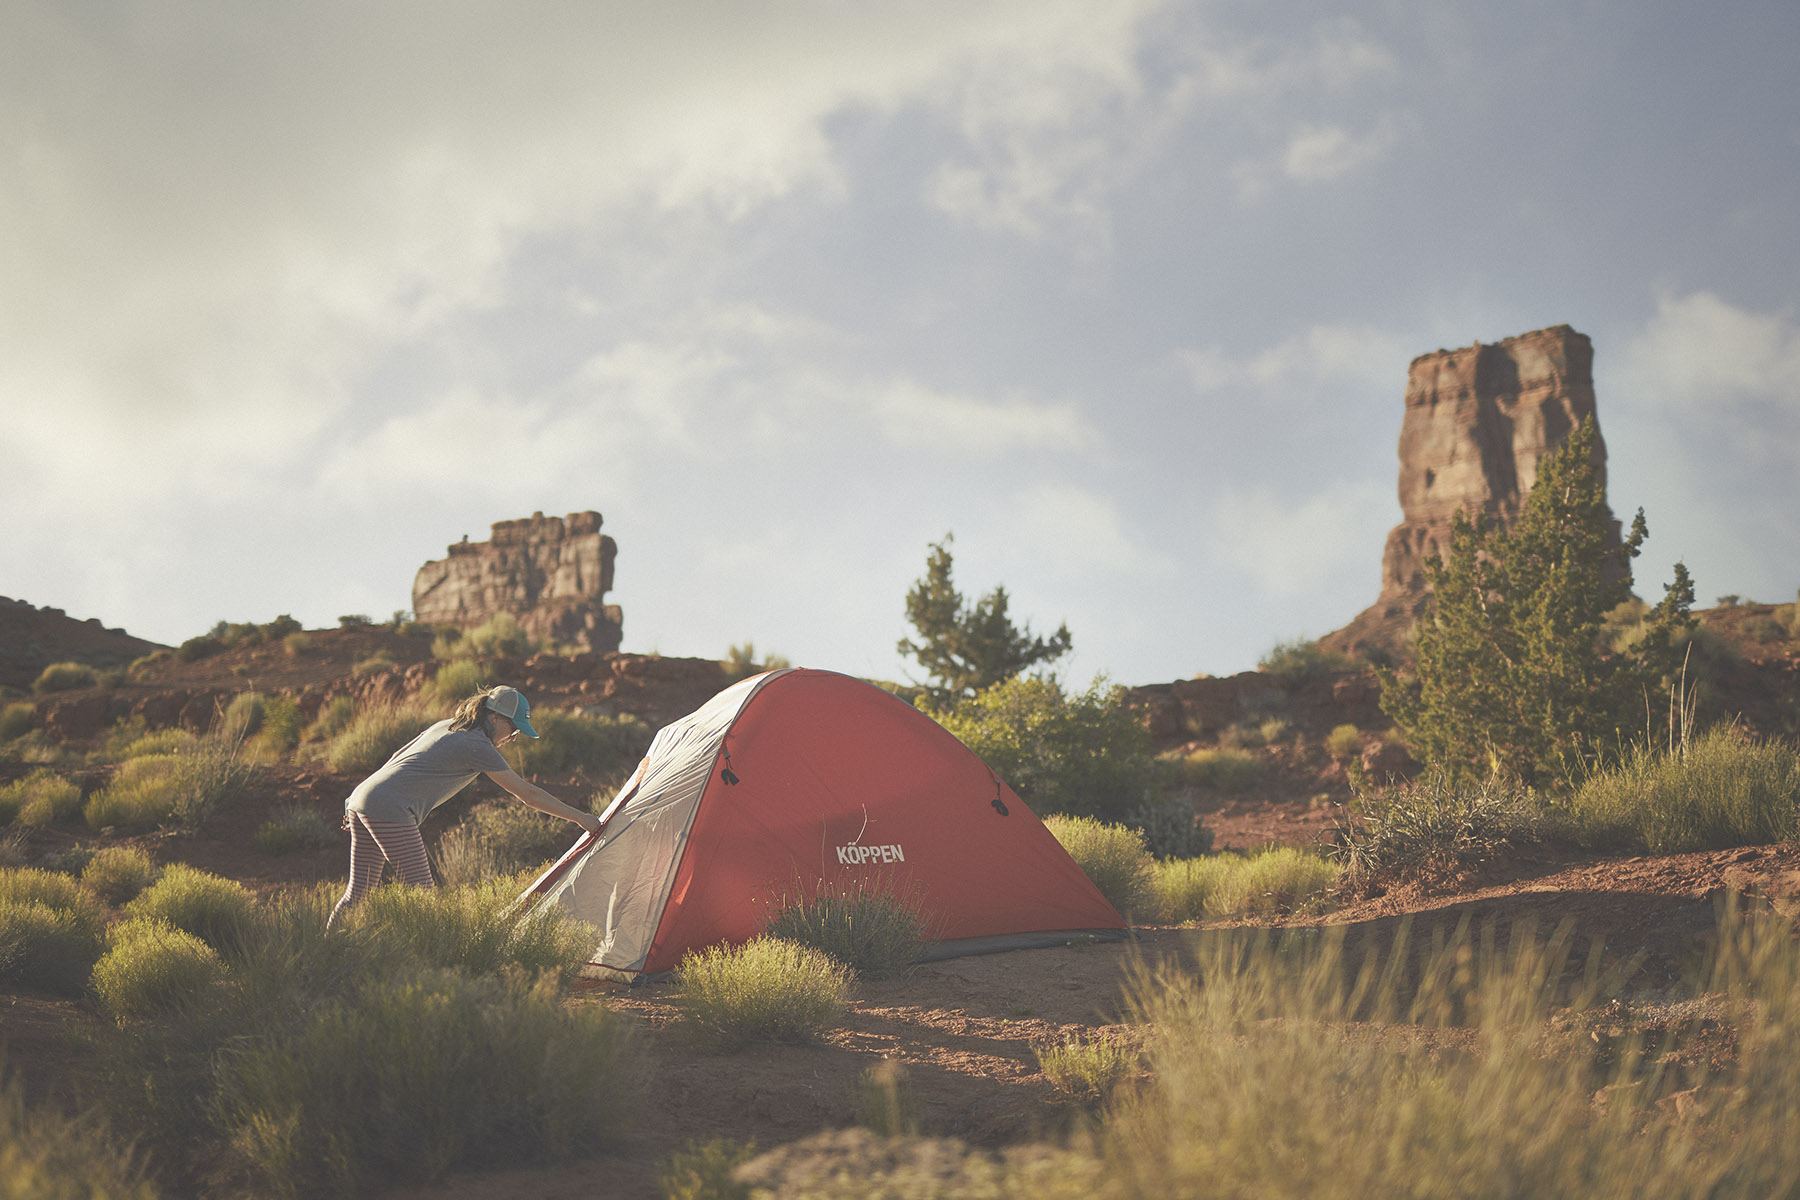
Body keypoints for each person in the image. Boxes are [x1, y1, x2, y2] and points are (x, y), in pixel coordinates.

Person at [327, 684, 601, 929]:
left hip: (363, 799)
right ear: (494, 718)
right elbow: (527, 794)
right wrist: (581, 818)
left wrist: (356, 801)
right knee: (423, 898)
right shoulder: (477, 746)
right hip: (390, 809)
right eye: (513, 729)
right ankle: (427, 966)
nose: (512, 737)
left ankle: (331, 948)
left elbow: (397, 757)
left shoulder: (447, 726)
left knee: (358, 893)